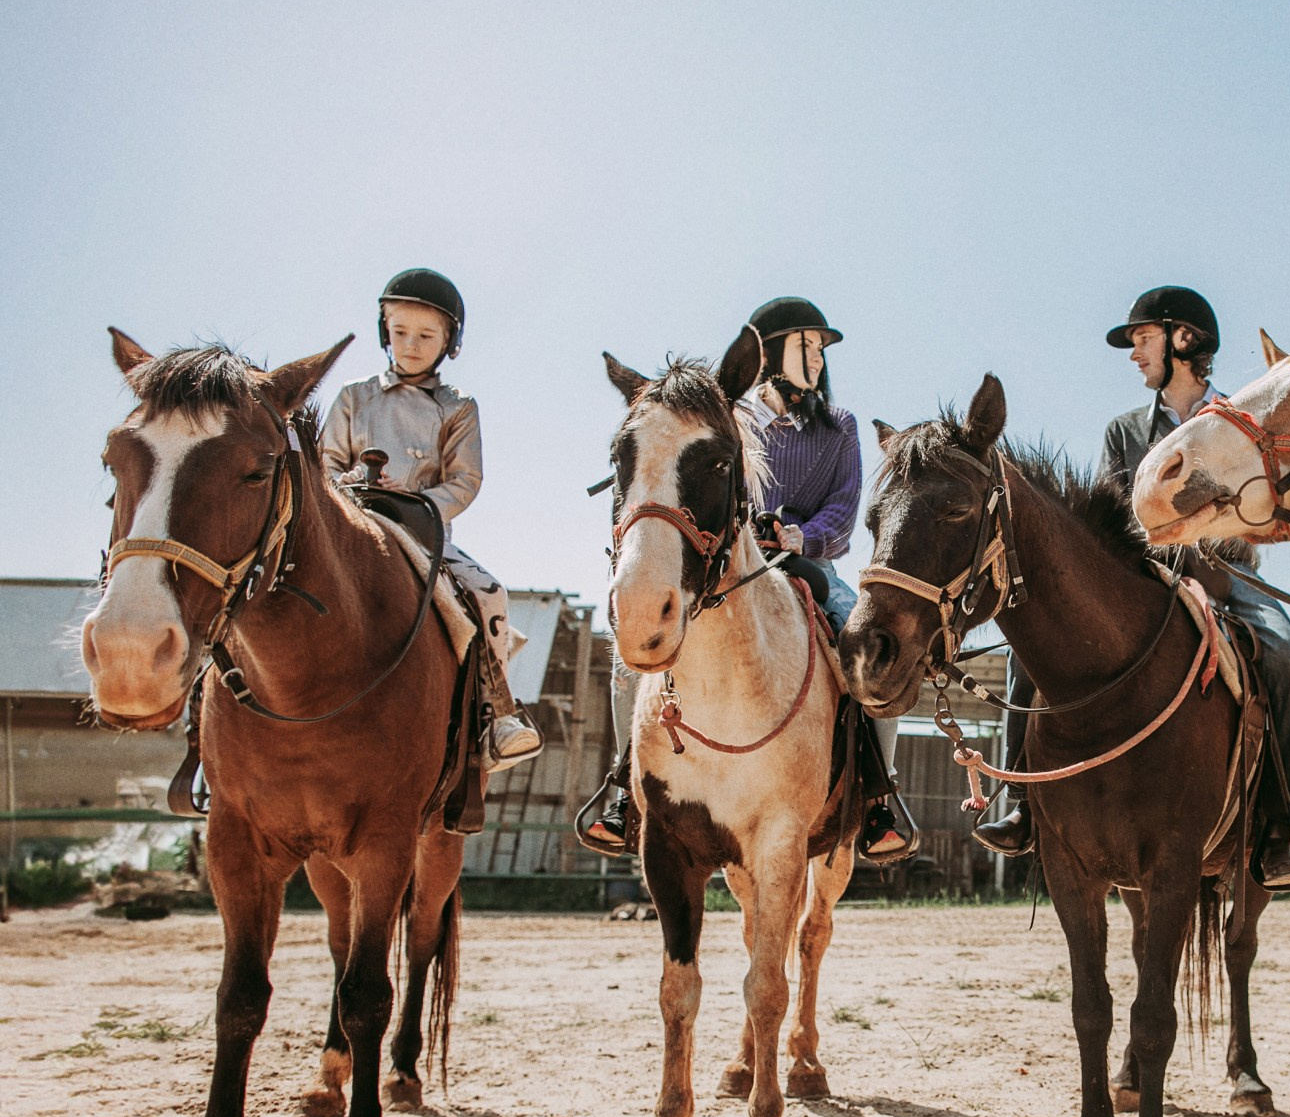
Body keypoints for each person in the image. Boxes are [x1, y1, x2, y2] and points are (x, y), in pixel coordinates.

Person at [972, 286, 1290, 892]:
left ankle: (1280, 830)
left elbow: (1260, 509)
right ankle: (1023, 802)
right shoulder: (1122, 431)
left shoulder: (1238, 420)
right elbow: (1110, 520)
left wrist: (1214, 557)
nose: (1134, 354)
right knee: (1026, 656)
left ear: (1183, 339)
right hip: (1146, 580)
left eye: (1142, 339)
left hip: (1231, 577)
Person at [584, 297, 918, 863]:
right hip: (727, 561)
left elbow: (844, 506)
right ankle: (625, 789)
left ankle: (879, 796)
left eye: (820, 349)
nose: (816, 356)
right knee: (629, 648)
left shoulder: (839, 427)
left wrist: (800, 537)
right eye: (805, 344)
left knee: (868, 650)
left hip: (806, 563)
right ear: (769, 353)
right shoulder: (726, 418)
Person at [322, 268, 543, 769]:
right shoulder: (354, 397)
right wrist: (352, 480)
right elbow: (324, 464)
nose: (411, 345)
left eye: (426, 336)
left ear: (449, 342)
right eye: (399, 333)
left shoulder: (457, 407)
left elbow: (465, 481)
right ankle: (207, 725)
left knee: (489, 593)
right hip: (348, 523)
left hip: (422, 533)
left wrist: (419, 501)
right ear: (385, 332)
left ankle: (497, 716)